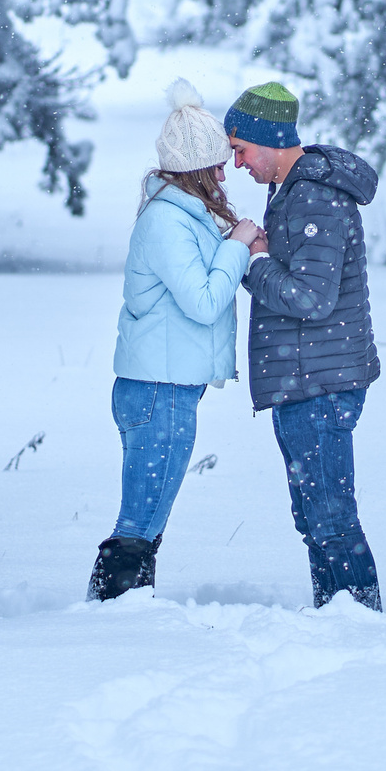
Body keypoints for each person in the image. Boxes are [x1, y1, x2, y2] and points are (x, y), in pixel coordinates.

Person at [87, 81, 263, 601]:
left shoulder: (186, 215)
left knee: (147, 517)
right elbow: (204, 301)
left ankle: (122, 610)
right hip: (157, 389)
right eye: (215, 164)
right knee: (140, 522)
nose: (225, 172)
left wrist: (240, 243)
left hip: (166, 387)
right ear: (194, 169)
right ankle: (115, 613)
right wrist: (237, 245)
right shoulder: (167, 221)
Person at [225, 82, 385, 610]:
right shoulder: (295, 192)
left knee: (332, 519)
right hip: (307, 381)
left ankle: (359, 622)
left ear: (269, 141)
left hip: (319, 384)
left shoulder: (313, 196)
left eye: (241, 149)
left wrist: (255, 262)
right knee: (315, 517)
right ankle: (337, 619)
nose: (238, 162)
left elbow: (311, 299)